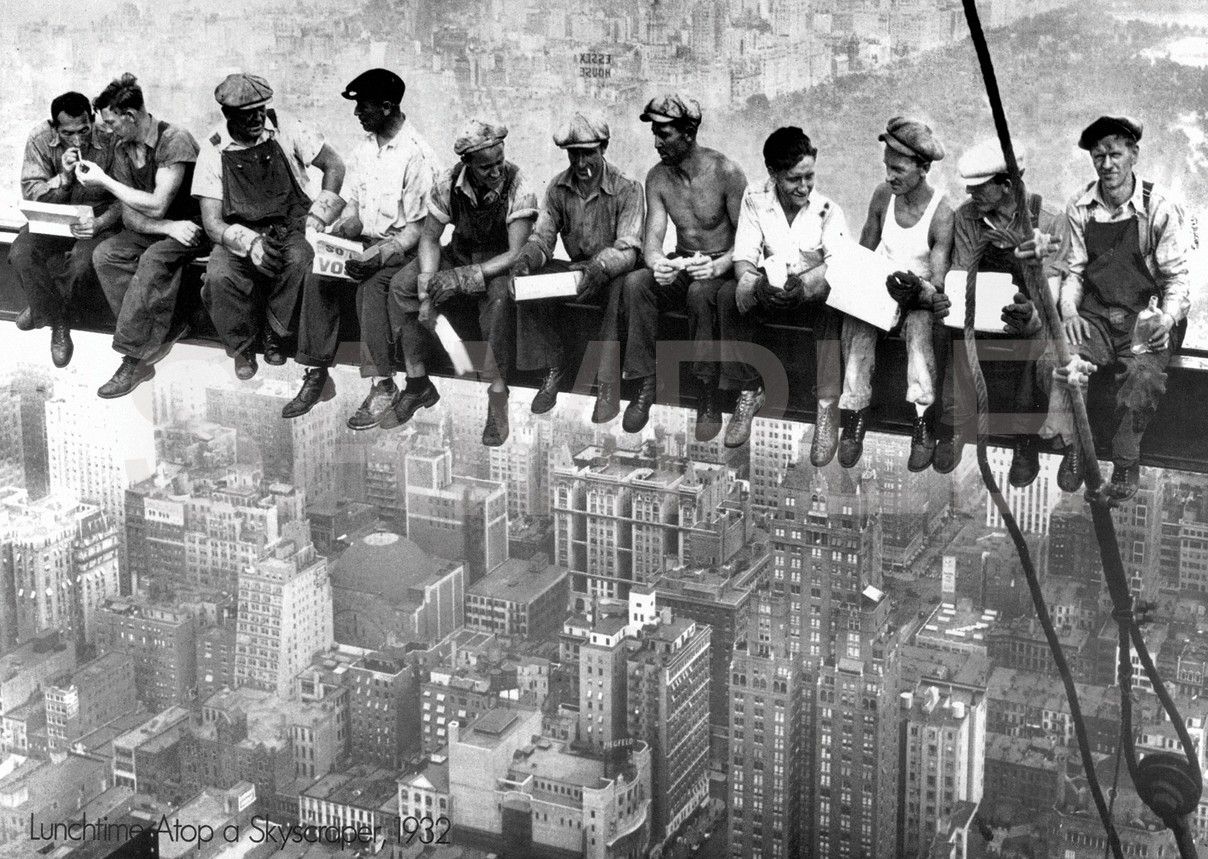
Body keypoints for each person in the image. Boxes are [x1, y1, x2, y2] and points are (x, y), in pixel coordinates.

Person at [1046, 116, 1189, 501]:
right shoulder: (1080, 206)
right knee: (1063, 359)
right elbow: (1074, 271)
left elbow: (1177, 279)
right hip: (1096, 314)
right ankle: (1076, 446)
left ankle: (1126, 461)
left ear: (1133, 155)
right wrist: (1070, 312)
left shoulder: (1157, 207)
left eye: (1114, 154)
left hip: (1146, 317)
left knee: (1142, 377)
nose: (1106, 165)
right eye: (1098, 157)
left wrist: (1169, 318)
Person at [288, 68, 436, 426]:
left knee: (371, 287)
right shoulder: (364, 150)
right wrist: (340, 232)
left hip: (399, 250)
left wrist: (380, 254)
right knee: (318, 272)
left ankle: (382, 384)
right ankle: (317, 371)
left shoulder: (416, 154)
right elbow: (353, 204)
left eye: (363, 107)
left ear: (386, 107)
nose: (356, 114)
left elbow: (417, 229)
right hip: (364, 244)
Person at [388, 119, 537, 446]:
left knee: (499, 303)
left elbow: (516, 252)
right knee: (402, 284)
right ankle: (417, 382)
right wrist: (427, 291)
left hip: (497, 262)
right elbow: (429, 238)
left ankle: (497, 393)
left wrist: (463, 278)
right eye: (486, 168)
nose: (496, 172)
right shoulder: (447, 183)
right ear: (467, 164)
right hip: (460, 251)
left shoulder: (519, 185)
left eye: (499, 163)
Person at [192, 72, 346, 384]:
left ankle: (276, 334)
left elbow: (335, 165)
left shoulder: (286, 126)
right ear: (228, 114)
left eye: (261, 110)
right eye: (247, 115)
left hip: (290, 224)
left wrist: (318, 216)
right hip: (240, 231)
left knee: (301, 261)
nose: (257, 119)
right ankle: (242, 347)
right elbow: (211, 223)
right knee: (219, 276)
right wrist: (249, 244)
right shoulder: (214, 147)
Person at [933, 139, 1067, 487]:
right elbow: (963, 270)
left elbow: (1053, 286)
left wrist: (1032, 315)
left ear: (1007, 185)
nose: (970, 194)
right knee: (954, 335)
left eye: (979, 188)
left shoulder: (1049, 220)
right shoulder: (968, 218)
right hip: (981, 306)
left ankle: (1025, 441)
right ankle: (952, 425)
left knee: (1037, 343)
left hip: (1029, 312)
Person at [618, 93, 747, 440]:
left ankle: (707, 393)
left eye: (665, 134)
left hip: (723, 267)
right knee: (636, 284)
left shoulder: (727, 173)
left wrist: (719, 265)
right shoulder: (657, 178)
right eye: (655, 134)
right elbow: (653, 238)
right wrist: (658, 264)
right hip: (685, 260)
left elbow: (750, 241)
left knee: (700, 294)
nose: (657, 142)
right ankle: (644, 383)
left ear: (688, 133)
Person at [79, 74, 207, 398]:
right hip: (166, 227)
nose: (107, 130)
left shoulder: (173, 140)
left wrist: (105, 181)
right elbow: (129, 211)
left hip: (195, 226)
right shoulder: (123, 147)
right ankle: (163, 330)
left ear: (130, 116)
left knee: (153, 259)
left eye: (111, 122)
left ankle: (133, 359)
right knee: (105, 254)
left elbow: (157, 203)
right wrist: (166, 228)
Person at [723, 126, 847, 458]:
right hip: (773, 290)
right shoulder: (755, 198)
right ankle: (750, 390)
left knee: (832, 308)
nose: (804, 187)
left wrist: (807, 287)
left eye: (809, 176)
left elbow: (839, 264)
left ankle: (826, 407)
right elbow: (744, 258)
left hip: (809, 296)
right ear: (773, 173)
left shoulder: (828, 210)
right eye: (794, 179)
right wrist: (758, 284)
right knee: (731, 295)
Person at [511, 112, 644, 419]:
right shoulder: (558, 188)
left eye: (589, 153)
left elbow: (628, 247)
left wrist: (598, 267)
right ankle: (555, 367)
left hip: (613, 271)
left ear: (604, 148)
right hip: (577, 271)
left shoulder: (627, 188)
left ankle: (608, 386)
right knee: (531, 284)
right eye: (574, 154)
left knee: (619, 291)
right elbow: (543, 237)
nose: (581, 163)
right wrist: (525, 261)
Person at [839, 117, 953, 471]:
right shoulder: (882, 196)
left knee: (920, 331)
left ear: (923, 168)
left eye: (898, 169)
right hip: (880, 289)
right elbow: (866, 249)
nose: (889, 176)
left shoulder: (941, 213)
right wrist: (856, 285)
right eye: (887, 167)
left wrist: (918, 290)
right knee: (858, 326)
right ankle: (855, 412)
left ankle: (922, 418)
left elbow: (939, 280)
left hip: (916, 296)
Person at [9, 91, 119, 367]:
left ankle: (41, 311)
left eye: (84, 129)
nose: (78, 140)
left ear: (92, 119)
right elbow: (33, 193)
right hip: (53, 218)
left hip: (96, 220)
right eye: (68, 133)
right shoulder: (39, 138)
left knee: (81, 266)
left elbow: (125, 196)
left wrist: (100, 223)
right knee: (21, 252)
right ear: (54, 127)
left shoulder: (111, 136)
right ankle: (57, 321)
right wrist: (65, 178)